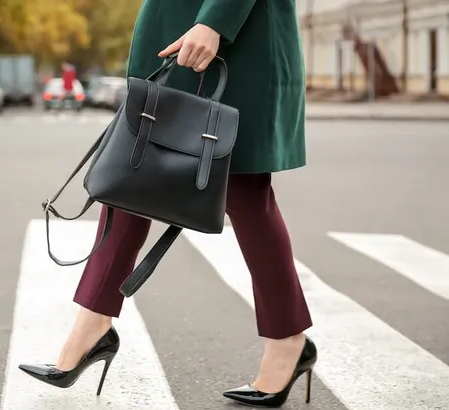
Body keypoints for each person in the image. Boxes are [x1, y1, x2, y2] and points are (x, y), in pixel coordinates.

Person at [18, 0, 317, 408]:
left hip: (235, 35)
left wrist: (214, 23)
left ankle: (288, 341)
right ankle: (92, 325)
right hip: (175, 30)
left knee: (245, 193)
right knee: (131, 176)